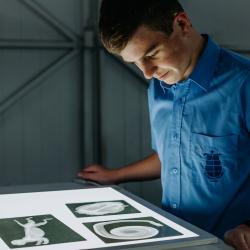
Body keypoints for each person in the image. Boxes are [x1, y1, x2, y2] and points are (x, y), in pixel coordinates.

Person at [78, 0, 250, 249]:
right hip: (175, 241)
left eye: (151, 54)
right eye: (136, 62)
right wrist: (115, 175)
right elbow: (172, 157)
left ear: (182, 24)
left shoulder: (244, 84)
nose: (147, 72)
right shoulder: (158, 90)